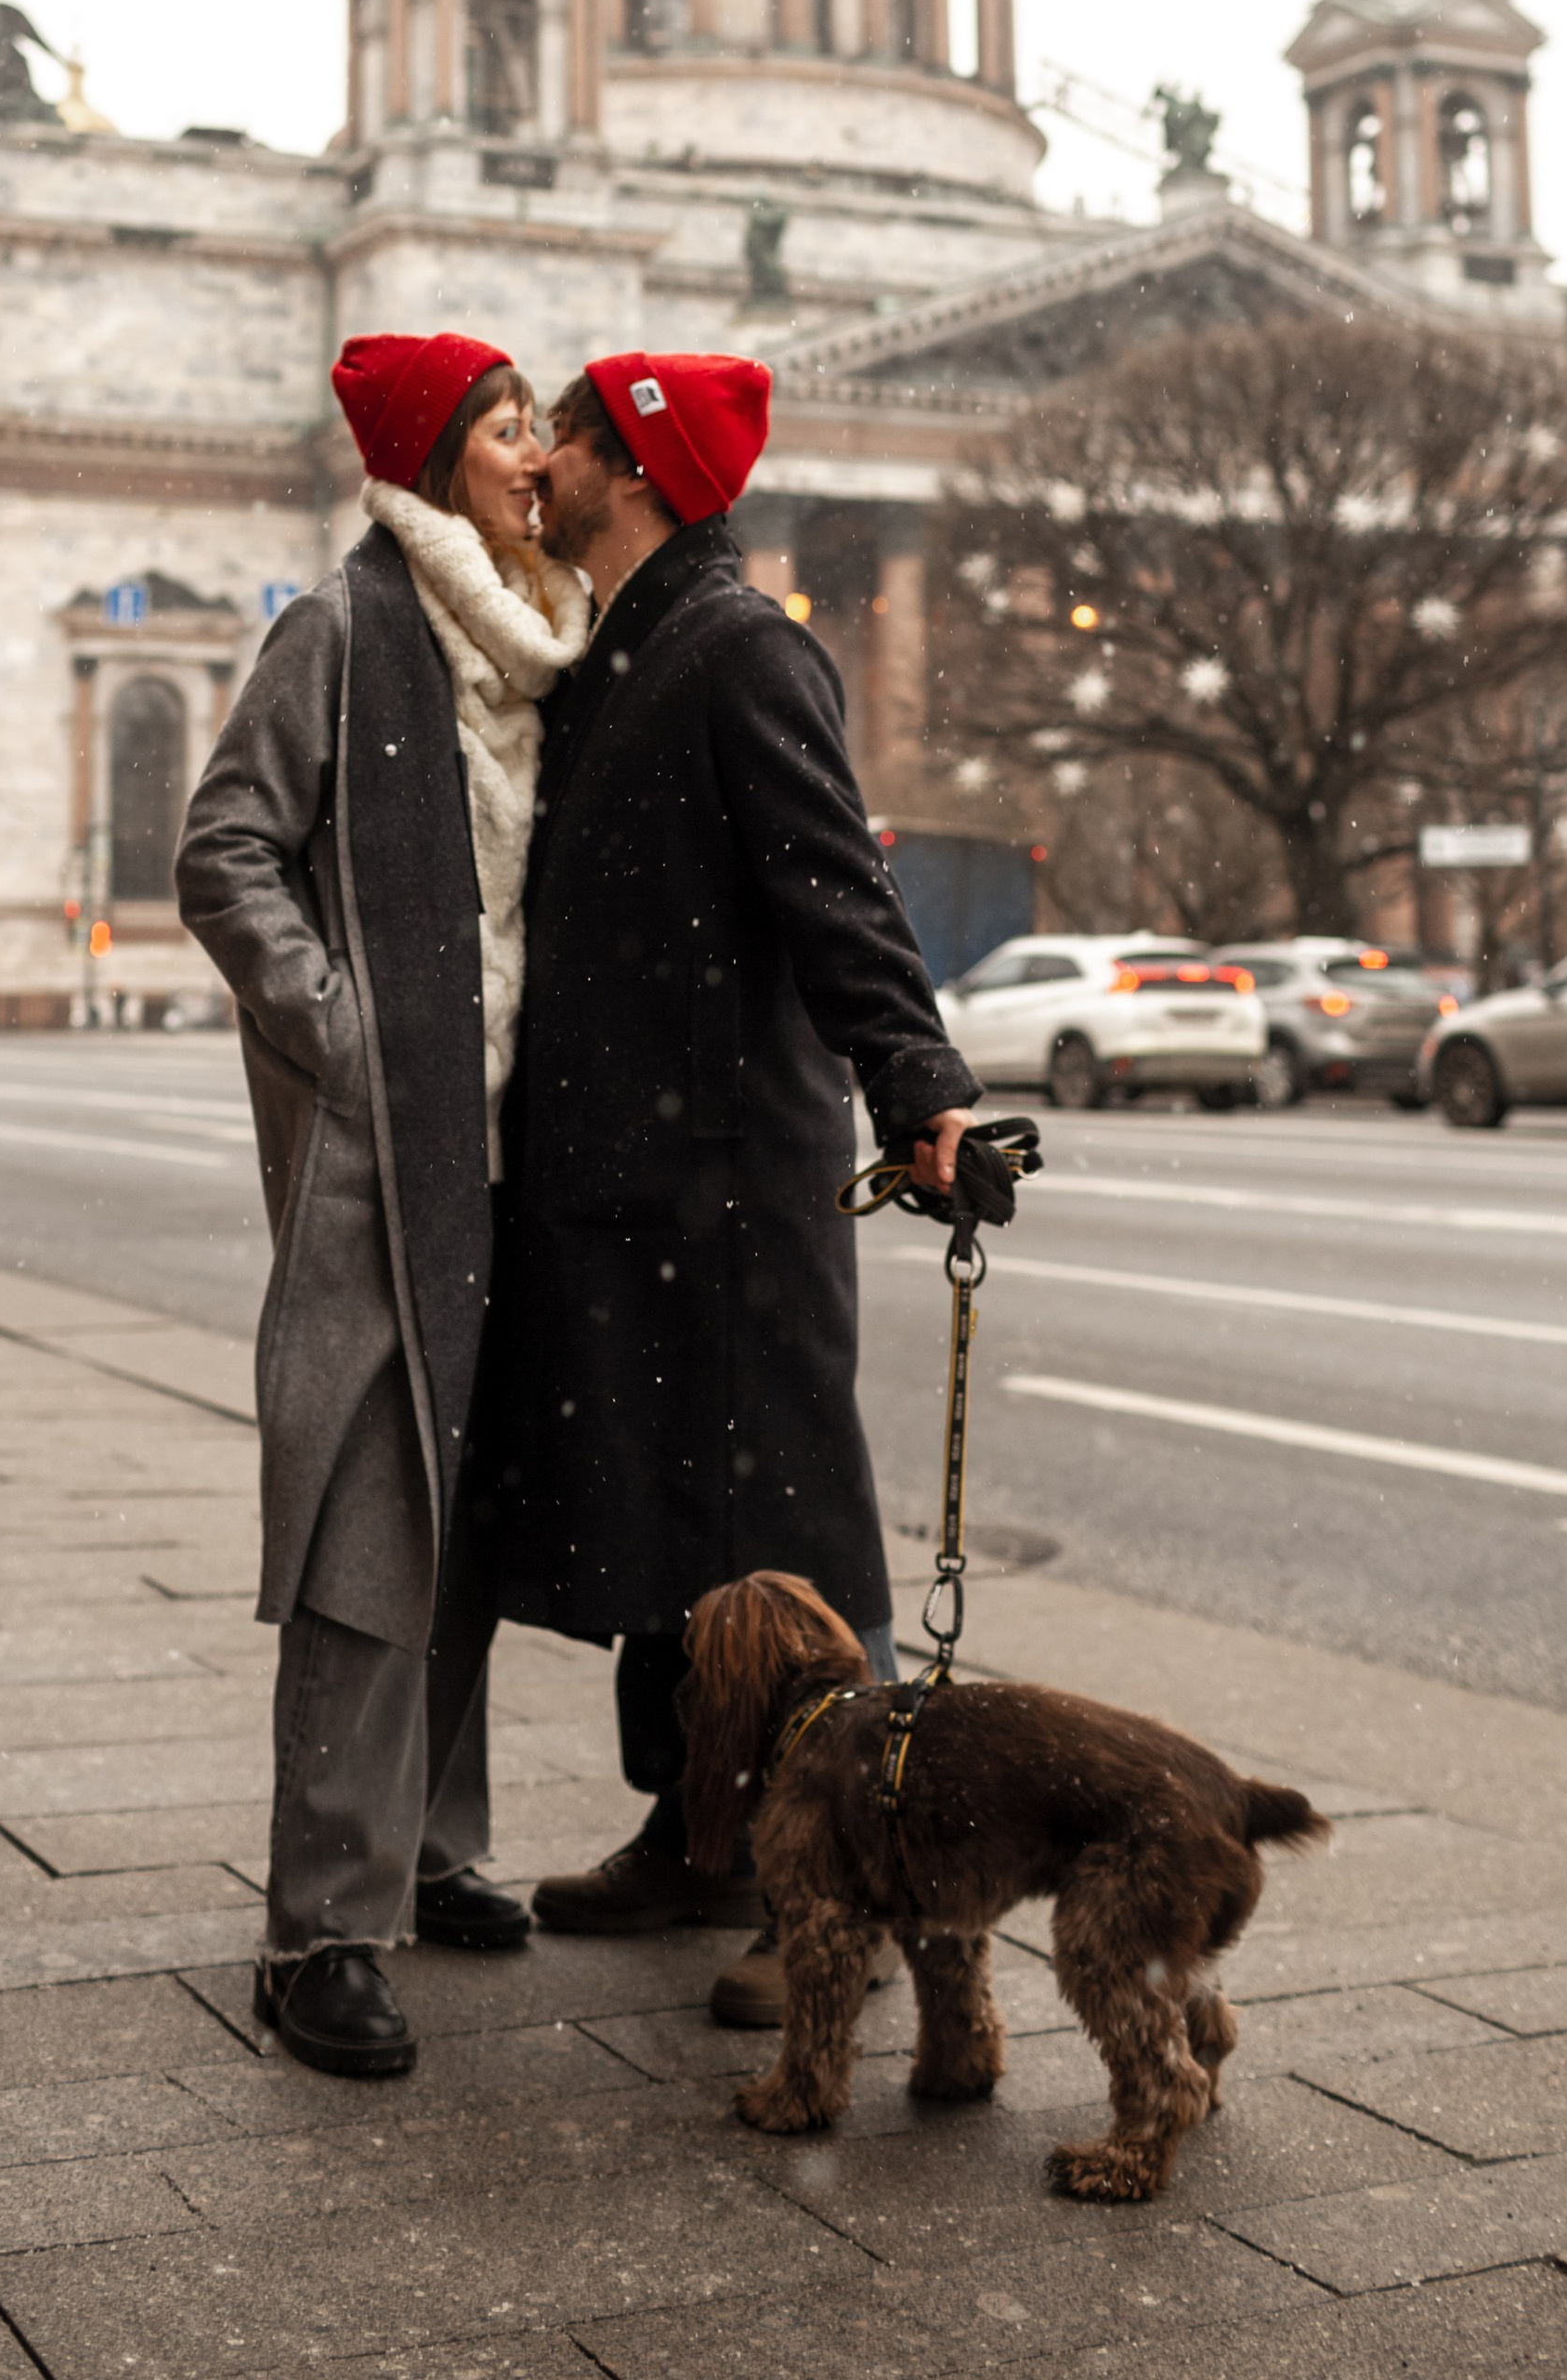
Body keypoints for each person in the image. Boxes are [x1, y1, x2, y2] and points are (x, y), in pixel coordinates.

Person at [475, 348, 978, 2023]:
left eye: (564, 439)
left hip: (732, 1183)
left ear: (637, 468)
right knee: (660, 1524)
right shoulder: (615, 646)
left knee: (789, 1533)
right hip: (625, 1178)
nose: (538, 464)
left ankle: (851, 1880)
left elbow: (840, 888)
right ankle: (700, 1833)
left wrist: (920, 1083)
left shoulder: (742, 646)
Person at [176, 329, 588, 2077]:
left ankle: (427, 1842)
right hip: (383, 1146)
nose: (538, 451)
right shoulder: (343, 629)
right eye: (505, 426)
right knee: (368, 1515)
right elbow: (223, 849)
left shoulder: (542, 638)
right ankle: (320, 1933)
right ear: (435, 460)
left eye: (538, 422)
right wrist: (337, 1028)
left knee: (467, 1510)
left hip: (505, 1150)